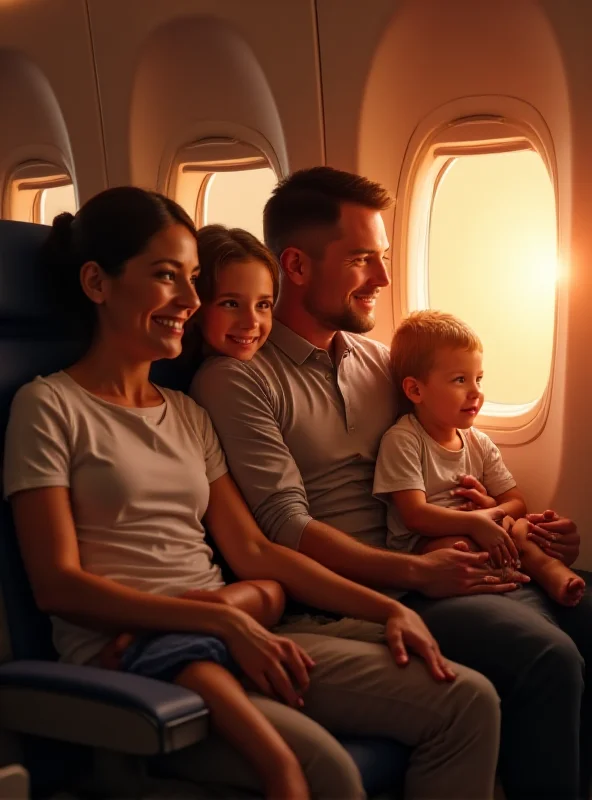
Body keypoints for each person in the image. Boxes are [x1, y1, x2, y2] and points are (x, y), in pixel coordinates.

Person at [2, 187, 501, 800]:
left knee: (467, 703)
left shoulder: (186, 413)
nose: (190, 300)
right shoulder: (48, 406)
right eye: (167, 277)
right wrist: (219, 618)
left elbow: (257, 553)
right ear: (97, 283)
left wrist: (392, 605)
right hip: (131, 663)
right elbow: (57, 584)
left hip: (228, 629)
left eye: (191, 280)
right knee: (326, 774)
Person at [192, 166, 590, 800]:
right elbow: (284, 528)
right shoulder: (240, 379)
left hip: (426, 567)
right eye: (362, 260)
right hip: (344, 597)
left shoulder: (382, 364)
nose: (382, 278)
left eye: (382, 258)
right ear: (295, 265)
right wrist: (415, 576)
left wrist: (514, 523)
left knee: (584, 608)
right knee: (548, 658)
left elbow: (441, 461)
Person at [374, 309, 585, 606]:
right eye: (460, 380)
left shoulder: (479, 442)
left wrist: (493, 511)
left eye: (479, 379)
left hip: (481, 525)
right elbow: (416, 516)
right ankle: (509, 581)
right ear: (415, 389)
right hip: (424, 543)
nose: (476, 392)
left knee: (524, 529)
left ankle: (554, 574)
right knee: (461, 547)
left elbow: (516, 501)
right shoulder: (403, 440)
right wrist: (476, 522)